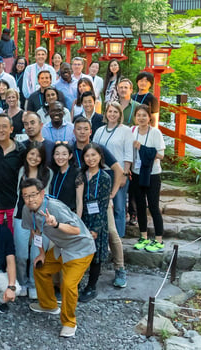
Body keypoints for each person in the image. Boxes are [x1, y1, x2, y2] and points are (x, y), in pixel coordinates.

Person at [21, 178, 95, 339]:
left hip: (80, 248)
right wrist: (41, 253)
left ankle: (69, 322)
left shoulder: (54, 207)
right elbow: (36, 232)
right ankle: (48, 305)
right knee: (40, 267)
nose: (30, 199)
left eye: (33, 195)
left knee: (68, 285)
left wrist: (55, 225)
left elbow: (76, 230)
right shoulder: (27, 209)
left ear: (42, 193)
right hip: (60, 248)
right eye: (26, 196)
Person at [72, 116, 128, 289]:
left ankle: (120, 269)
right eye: (78, 129)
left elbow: (118, 170)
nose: (82, 132)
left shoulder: (98, 149)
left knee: (111, 231)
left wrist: (111, 194)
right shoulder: (70, 148)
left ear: (91, 131)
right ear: (74, 131)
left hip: (101, 200)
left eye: (85, 128)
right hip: (82, 200)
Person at [14, 141, 51, 300]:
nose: (34, 158)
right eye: (31, 154)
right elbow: (17, 194)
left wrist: (39, 222)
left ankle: (33, 284)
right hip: (21, 216)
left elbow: (46, 197)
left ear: (42, 157)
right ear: (26, 154)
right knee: (21, 254)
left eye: (38, 155)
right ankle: (21, 282)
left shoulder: (47, 173)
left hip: (40, 217)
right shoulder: (22, 171)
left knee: (37, 253)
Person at [92, 102, 133, 238]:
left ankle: (118, 237)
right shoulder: (100, 130)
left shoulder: (126, 130)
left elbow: (129, 153)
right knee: (103, 206)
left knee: (119, 206)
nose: (112, 114)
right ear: (106, 113)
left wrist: (125, 173)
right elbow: (94, 150)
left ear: (120, 114)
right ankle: (103, 235)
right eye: (110, 111)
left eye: (116, 112)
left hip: (118, 171)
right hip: (102, 172)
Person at [77, 143, 111, 303]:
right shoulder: (81, 174)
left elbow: (103, 206)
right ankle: (75, 283)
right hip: (82, 218)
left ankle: (91, 286)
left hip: (98, 219)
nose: (90, 159)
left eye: (93, 155)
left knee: (96, 255)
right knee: (81, 252)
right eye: (87, 156)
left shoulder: (105, 177)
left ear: (100, 156)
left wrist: (96, 228)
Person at [131, 105, 166, 253]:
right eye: (138, 115)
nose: (141, 118)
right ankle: (143, 236)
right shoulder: (132, 131)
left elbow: (161, 155)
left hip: (152, 174)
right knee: (139, 206)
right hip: (136, 172)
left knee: (153, 206)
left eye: (144, 115)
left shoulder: (155, 132)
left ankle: (159, 239)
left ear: (149, 117)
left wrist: (143, 149)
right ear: (135, 117)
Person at [49, 142, 83, 213]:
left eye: (64, 154)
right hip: (54, 214)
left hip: (70, 214)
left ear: (70, 156)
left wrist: (77, 221)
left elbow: (79, 200)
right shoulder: (52, 172)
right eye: (57, 154)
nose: (60, 157)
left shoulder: (77, 173)